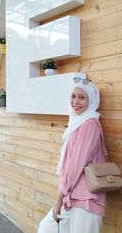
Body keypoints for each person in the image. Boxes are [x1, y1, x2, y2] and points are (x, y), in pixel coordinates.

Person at [38, 77, 106, 233]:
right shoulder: (77, 123)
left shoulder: (90, 124)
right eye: (73, 96)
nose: (76, 101)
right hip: (72, 195)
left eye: (82, 97)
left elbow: (76, 165)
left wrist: (58, 198)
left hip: (87, 198)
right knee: (47, 228)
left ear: (92, 101)